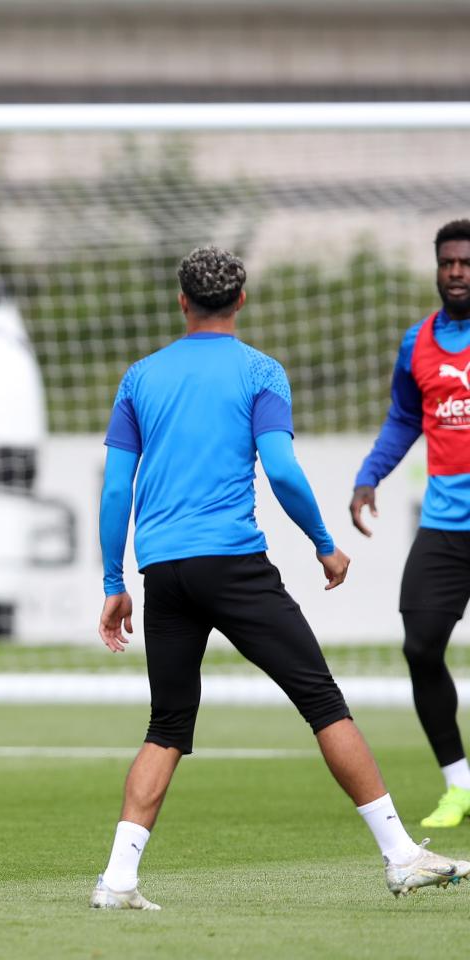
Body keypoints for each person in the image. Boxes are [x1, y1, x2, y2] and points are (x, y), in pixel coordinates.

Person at [93, 247, 469, 909]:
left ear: (182, 302)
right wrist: (325, 544)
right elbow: (285, 472)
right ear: (241, 301)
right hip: (232, 564)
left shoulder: (140, 377)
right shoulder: (259, 372)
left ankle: (118, 880)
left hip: (163, 571)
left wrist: (112, 581)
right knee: (322, 700)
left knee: (168, 723)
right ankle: (400, 854)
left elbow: (115, 489)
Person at [351, 219, 470, 829]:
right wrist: (370, 475)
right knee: (420, 645)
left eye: (466, 263)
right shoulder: (417, 343)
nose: (456, 272)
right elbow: (404, 418)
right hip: (446, 526)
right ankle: (459, 784)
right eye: (447, 262)